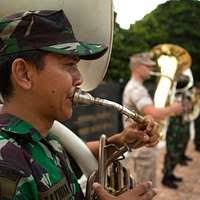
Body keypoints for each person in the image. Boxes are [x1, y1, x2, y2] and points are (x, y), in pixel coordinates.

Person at [0, 10, 160, 200]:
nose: (80, 78)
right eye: (69, 64)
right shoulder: (5, 164)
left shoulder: (42, 137)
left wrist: (120, 141)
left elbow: (64, 160)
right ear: (24, 74)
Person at [122, 52, 183, 187]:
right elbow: (153, 113)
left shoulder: (136, 87)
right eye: (148, 66)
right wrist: (173, 108)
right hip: (143, 146)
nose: (151, 69)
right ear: (138, 67)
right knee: (146, 188)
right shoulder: (136, 89)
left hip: (142, 144)